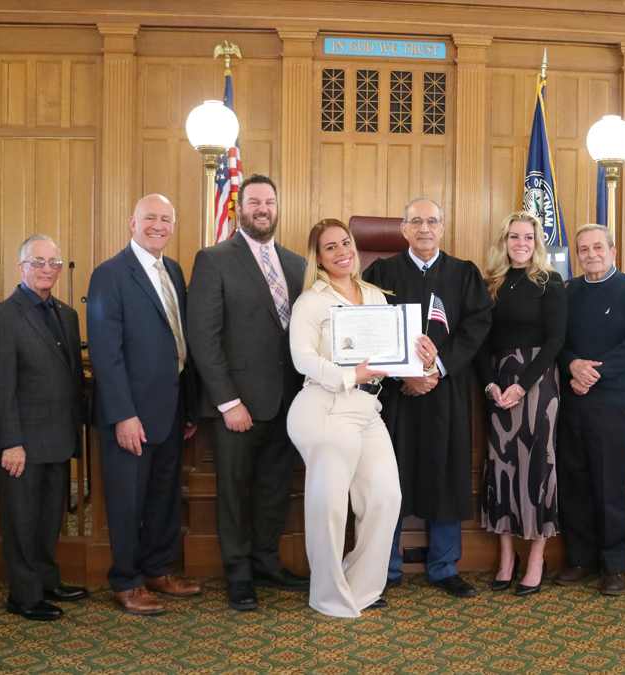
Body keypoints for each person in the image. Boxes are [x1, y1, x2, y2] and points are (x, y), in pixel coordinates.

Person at [286, 219, 435, 617]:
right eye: (330, 247)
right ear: (318, 258)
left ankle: (360, 588)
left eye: (346, 242)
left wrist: (424, 361)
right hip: (325, 404)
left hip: (368, 408)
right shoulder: (310, 302)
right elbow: (302, 357)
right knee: (330, 507)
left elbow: (392, 356)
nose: (342, 252)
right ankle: (327, 595)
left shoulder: (374, 296)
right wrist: (352, 374)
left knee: (386, 496)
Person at [186, 174, 309, 611]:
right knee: (234, 490)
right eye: (254, 201)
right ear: (239, 208)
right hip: (237, 403)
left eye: (269, 202)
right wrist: (228, 401)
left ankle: (266, 561)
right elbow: (203, 337)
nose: (263, 209)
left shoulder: (297, 264)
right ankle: (238, 573)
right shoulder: (214, 259)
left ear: (277, 208)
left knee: (275, 487)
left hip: (289, 401)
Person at [362, 197, 493, 598]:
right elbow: (369, 326)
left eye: (432, 221)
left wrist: (438, 368)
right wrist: (405, 374)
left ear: (442, 228)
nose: (424, 228)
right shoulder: (381, 273)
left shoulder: (464, 273)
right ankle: (383, 569)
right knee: (388, 478)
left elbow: (476, 325)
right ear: (403, 229)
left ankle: (444, 567)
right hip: (395, 395)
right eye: (416, 221)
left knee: (446, 474)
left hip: (446, 392)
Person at [87, 194, 201, 616]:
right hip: (131, 413)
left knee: (163, 498)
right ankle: (126, 581)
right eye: (149, 217)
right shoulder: (109, 274)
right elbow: (105, 352)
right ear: (132, 223)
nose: (158, 225)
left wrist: (189, 406)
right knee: (127, 501)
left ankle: (157, 570)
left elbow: (179, 343)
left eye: (166, 219)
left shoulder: (173, 270)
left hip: (171, 409)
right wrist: (123, 415)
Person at [0, 234, 89, 621]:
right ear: (21, 267)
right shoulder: (2, 317)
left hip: (59, 437)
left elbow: (71, 377)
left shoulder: (67, 314)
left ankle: (46, 582)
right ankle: (23, 595)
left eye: (54, 263)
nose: (47, 269)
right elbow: (0, 387)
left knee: (48, 520)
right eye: (38, 262)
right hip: (21, 443)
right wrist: (11, 442)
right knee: (22, 522)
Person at [553, 224, 625, 596]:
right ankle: (581, 559)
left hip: (615, 403)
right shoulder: (567, 291)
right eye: (583, 249)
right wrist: (572, 366)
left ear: (613, 251)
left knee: (610, 487)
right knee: (575, 485)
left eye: (598, 247)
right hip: (572, 402)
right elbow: (554, 341)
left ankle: (614, 566)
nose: (591, 254)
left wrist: (591, 373)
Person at [473, 211, 566, 596]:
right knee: (502, 465)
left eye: (528, 237)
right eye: (514, 237)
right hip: (498, 381)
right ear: (504, 241)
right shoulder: (489, 283)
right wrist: (491, 385)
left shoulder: (549, 281)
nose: (521, 243)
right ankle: (507, 557)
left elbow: (556, 340)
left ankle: (536, 559)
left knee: (538, 464)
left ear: (537, 242)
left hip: (538, 382)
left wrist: (523, 386)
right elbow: (480, 340)